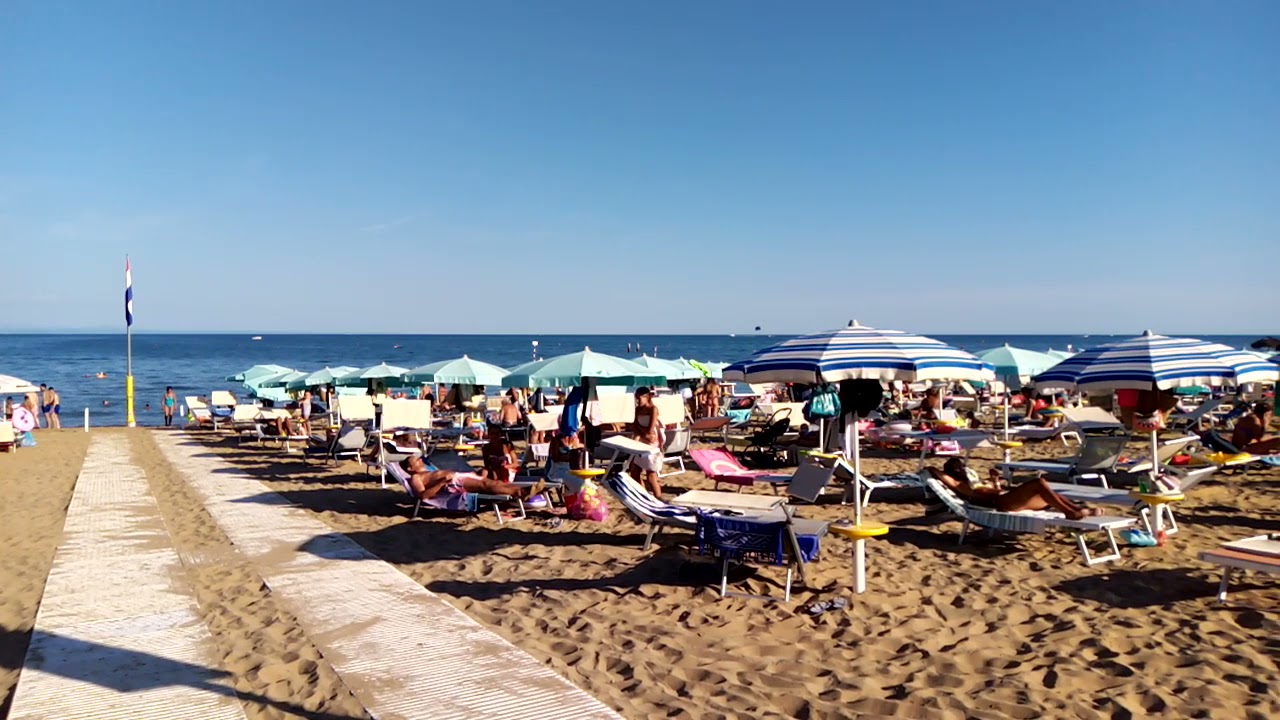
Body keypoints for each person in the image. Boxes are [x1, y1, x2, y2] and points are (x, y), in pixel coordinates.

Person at [930, 457, 1101, 520]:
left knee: (1047, 492)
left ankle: (1075, 509)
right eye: (959, 468)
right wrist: (934, 471)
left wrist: (995, 480)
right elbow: (934, 471)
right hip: (1003, 502)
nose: (963, 469)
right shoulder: (961, 486)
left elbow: (995, 489)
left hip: (1008, 498)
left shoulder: (975, 480)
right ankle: (1071, 512)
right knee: (1038, 483)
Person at [399, 455, 543, 502]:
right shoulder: (416, 477)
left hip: (457, 476)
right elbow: (423, 496)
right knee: (485, 486)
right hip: (452, 483)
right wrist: (443, 481)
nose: (420, 460)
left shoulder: (427, 470)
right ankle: (519, 493)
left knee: (493, 482)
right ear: (410, 469)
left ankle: (523, 490)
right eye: (416, 461)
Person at [628, 386, 664, 498]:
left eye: (640, 398)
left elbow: (650, 429)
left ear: (647, 397)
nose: (638, 401)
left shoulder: (653, 409)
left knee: (651, 475)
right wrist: (643, 433)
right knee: (634, 472)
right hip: (642, 442)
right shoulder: (638, 409)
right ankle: (644, 495)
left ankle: (658, 498)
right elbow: (635, 426)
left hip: (652, 444)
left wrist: (641, 432)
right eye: (636, 398)